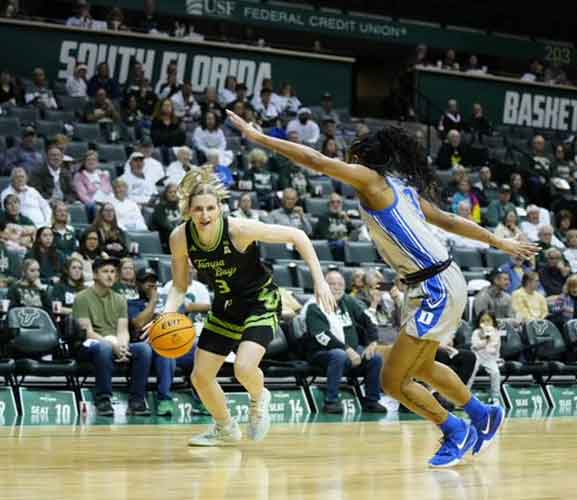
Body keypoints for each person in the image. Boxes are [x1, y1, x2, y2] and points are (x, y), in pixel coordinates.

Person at [227, 110, 537, 466]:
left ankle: (455, 430)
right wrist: (497, 241)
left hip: (434, 285)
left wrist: (259, 138)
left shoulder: (371, 181)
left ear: (360, 158)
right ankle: (482, 414)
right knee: (420, 368)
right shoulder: (402, 189)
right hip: (436, 282)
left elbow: (314, 159)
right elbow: (449, 220)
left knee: (393, 381)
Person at [159, 168, 336, 446]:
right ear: (188, 211)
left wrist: (320, 280)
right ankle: (225, 428)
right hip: (225, 306)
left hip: (260, 301)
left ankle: (259, 396)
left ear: (219, 208)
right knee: (201, 376)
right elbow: (180, 286)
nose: (204, 215)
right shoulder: (179, 238)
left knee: (243, 368)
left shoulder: (239, 230)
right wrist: (167, 313)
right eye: (198, 209)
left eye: (210, 208)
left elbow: (298, 235)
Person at [72, 257, 152, 416]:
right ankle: (103, 399)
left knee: (143, 349)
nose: (110, 276)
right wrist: (113, 346)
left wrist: (122, 346)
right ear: (95, 275)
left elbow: (123, 330)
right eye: (105, 272)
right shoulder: (82, 297)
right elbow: (88, 332)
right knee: (104, 348)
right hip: (89, 344)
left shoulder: (120, 299)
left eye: (113, 272)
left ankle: (137, 400)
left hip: (114, 343)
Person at [303, 270, 385, 414]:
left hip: (351, 352)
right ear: (323, 286)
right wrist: (347, 349)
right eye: (332, 284)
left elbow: (368, 322)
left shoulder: (348, 302)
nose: (336, 287)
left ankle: (372, 401)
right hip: (322, 354)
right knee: (339, 355)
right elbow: (323, 337)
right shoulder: (314, 307)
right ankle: (331, 402)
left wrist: (372, 342)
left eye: (340, 284)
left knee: (375, 358)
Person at [128, 267, 194, 417]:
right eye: (146, 282)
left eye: (153, 281)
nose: (151, 285)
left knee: (198, 349)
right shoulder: (132, 304)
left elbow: (181, 320)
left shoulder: (169, 301)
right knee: (165, 350)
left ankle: (201, 399)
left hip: (173, 343)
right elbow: (138, 324)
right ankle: (164, 399)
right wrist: (153, 301)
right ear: (137, 285)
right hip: (146, 347)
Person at [469, 311, 503, 404]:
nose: (485, 323)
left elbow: (496, 348)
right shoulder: (476, 332)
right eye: (483, 321)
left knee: (495, 372)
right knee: (472, 370)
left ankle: (495, 396)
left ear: (493, 322)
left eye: (488, 320)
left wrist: (497, 359)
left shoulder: (496, 333)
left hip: (490, 358)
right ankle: (465, 394)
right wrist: (486, 339)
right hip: (476, 356)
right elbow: (475, 346)